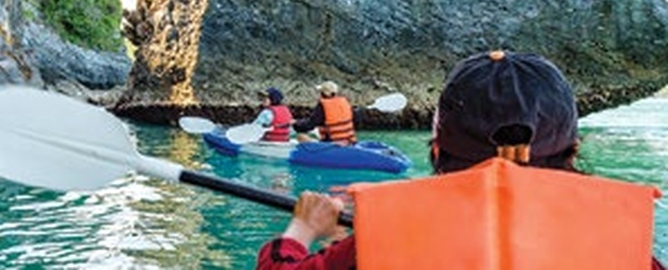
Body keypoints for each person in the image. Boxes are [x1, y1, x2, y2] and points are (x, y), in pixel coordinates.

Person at [256, 50, 666, 269]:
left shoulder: (371, 251)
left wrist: (303, 228)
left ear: (436, 152)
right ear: (572, 152)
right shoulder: (624, 254)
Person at [292, 81, 357, 144]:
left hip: (332, 143)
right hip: (349, 141)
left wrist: (296, 124)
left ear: (323, 93)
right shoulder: (344, 102)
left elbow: (310, 124)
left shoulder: (323, 105)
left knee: (301, 137)